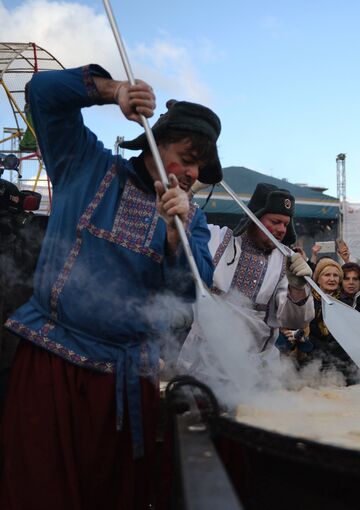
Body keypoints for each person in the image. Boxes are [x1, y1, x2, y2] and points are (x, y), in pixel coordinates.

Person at [1, 65, 220, 509]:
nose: (193, 171)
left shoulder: (192, 221)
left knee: (113, 498)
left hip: (125, 382)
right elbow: (41, 92)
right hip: (51, 364)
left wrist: (175, 237)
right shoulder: (85, 165)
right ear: (156, 144)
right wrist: (112, 91)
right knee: (37, 493)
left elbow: (189, 298)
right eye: (188, 155)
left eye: (200, 165)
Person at [177, 183, 314, 380]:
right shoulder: (216, 238)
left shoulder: (288, 261)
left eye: (285, 224)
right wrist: (190, 191)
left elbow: (296, 321)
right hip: (200, 365)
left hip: (254, 373)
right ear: (254, 217)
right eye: (275, 221)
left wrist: (298, 287)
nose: (282, 229)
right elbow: (178, 223)